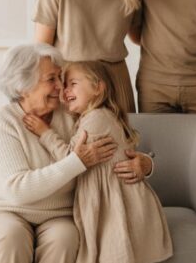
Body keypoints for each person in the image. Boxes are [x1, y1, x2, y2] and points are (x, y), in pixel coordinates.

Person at [0, 43, 152, 263]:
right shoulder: (1, 121)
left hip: (59, 214)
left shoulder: (73, 113)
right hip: (5, 210)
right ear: (22, 87)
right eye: (51, 79)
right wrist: (78, 161)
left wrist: (146, 163)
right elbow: (18, 191)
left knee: (65, 239)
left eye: (61, 78)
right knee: (12, 238)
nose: (60, 87)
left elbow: (115, 143)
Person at [23, 61, 172, 263]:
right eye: (64, 85)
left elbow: (71, 159)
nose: (65, 91)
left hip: (116, 203)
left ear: (97, 87)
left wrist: (45, 133)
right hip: (108, 199)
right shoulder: (92, 117)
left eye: (73, 83)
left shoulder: (97, 118)